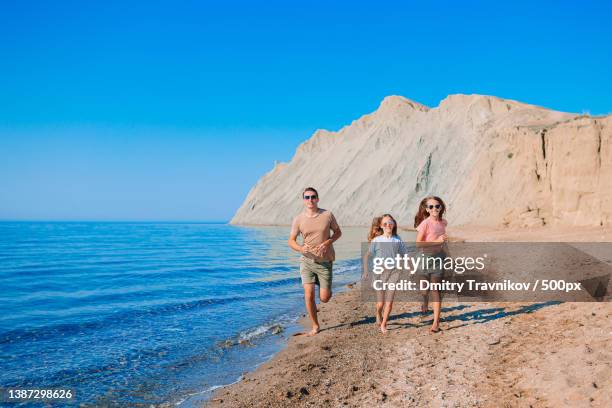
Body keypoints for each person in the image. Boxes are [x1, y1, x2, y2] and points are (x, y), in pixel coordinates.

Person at [288, 187, 342, 336]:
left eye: (313, 197)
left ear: (317, 199)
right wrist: (300, 249)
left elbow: (338, 232)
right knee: (309, 294)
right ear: (303, 200)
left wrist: (327, 243)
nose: (310, 200)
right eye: (307, 197)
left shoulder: (327, 215)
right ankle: (315, 326)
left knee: (324, 298)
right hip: (306, 262)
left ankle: (325, 287)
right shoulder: (298, 219)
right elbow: (291, 241)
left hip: (325, 262)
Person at [367, 214, 407, 334]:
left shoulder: (397, 239)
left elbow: (405, 254)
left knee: (389, 302)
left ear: (393, 224)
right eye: (385, 223)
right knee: (381, 303)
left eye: (390, 223)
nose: (388, 225)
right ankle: (378, 312)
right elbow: (369, 256)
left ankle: (384, 324)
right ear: (381, 226)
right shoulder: (376, 240)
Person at [414, 196, 448, 333]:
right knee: (425, 289)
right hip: (424, 260)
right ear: (427, 210)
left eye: (437, 206)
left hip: (438, 260)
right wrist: (438, 241)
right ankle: (424, 300)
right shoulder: (425, 224)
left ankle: (436, 322)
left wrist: (444, 247)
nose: (435, 209)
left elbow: (442, 240)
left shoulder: (443, 222)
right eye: (431, 207)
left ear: (441, 207)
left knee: (436, 291)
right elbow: (418, 244)